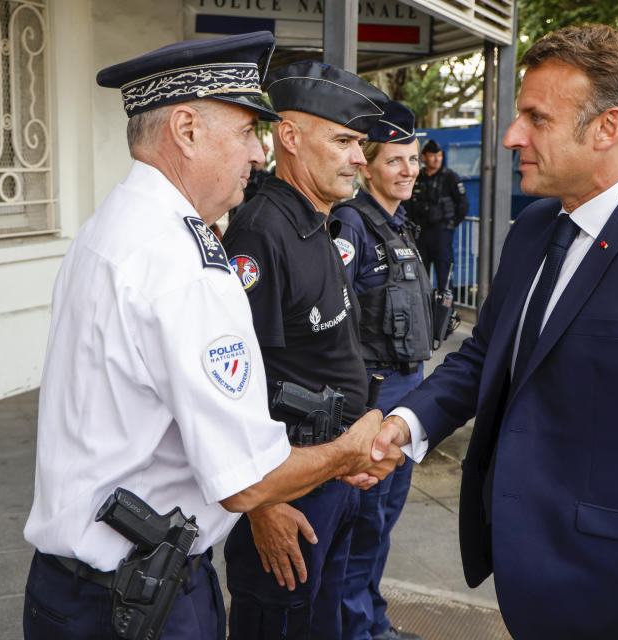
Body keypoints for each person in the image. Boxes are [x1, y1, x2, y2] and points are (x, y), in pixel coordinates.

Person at [372, 24, 618, 638]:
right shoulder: (534, 228)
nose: (512, 137)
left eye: (536, 118)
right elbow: (486, 356)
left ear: (608, 127)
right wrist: (405, 424)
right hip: (526, 586)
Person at [21, 32, 401, 640]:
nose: (258, 153)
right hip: (138, 601)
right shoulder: (184, 265)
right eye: (248, 130)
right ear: (188, 129)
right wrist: (349, 451)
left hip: (70, 589)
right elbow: (246, 480)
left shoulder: (111, 228)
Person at [221, 60, 391, 640]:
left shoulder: (323, 221)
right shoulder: (260, 232)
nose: (360, 159)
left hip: (332, 478)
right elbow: (235, 386)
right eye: (344, 141)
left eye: (360, 144)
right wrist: (261, 505)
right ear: (288, 137)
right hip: (287, 496)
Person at [330, 100, 428, 640]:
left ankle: (373, 620)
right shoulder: (353, 224)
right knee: (363, 523)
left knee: (383, 522)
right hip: (375, 394)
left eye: (412, 159)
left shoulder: (399, 224)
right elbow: (339, 321)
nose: (408, 170)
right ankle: (355, 628)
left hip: (407, 393)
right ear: (367, 166)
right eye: (395, 160)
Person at [404, 138, 468, 290]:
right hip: (421, 234)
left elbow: (463, 205)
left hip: (441, 234)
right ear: (424, 157)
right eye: (432, 155)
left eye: (439, 155)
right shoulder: (417, 177)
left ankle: (446, 312)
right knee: (420, 278)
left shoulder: (450, 177)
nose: (437, 159)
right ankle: (425, 313)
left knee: (444, 279)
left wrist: (450, 225)